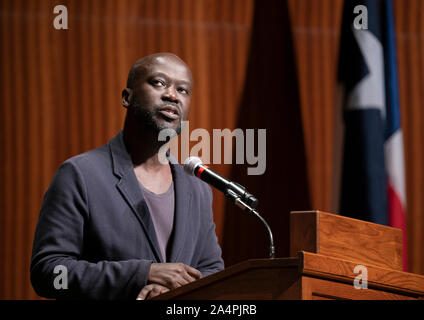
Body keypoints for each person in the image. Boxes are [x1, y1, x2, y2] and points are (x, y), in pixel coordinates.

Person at [30, 53, 224, 300]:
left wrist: (172, 292)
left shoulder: (196, 187)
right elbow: (48, 272)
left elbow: (211, 272)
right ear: (127, 97)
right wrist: (143, 273)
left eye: (183, 90)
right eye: (158, 83)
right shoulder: (79, 175)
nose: (172, 96)